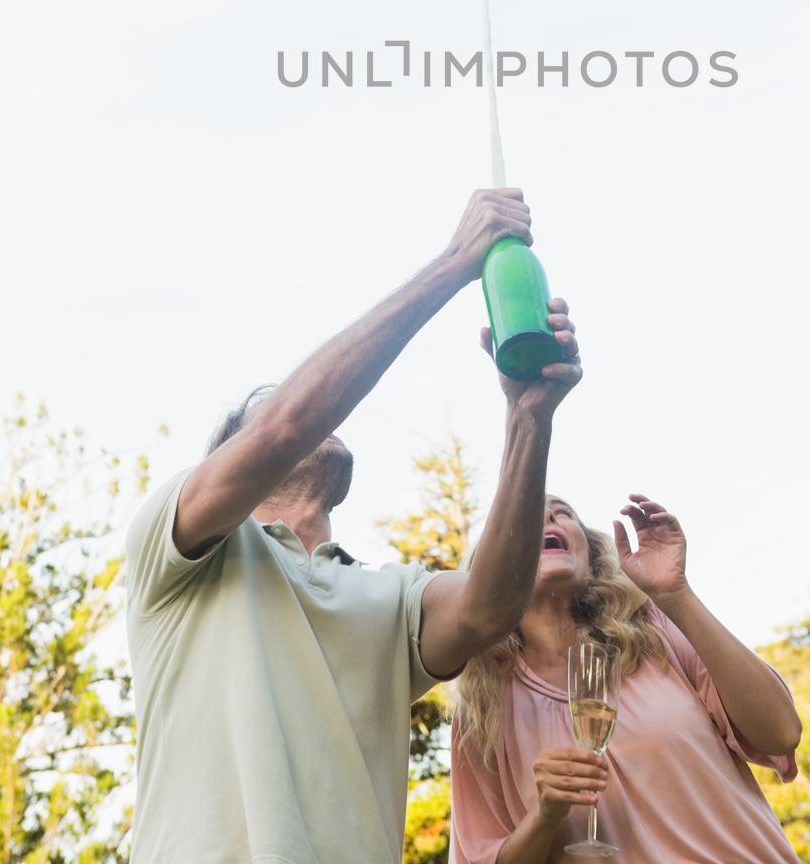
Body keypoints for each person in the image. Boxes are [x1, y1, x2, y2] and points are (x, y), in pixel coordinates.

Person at [124, 189, 582, 864]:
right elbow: (288, 426)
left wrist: (529, 414)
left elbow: (489, 608)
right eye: (268, 402)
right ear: (229, 453)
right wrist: (456, 263)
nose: (317, 417)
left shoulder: (389, 597)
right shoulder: (181, 549)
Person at [450, 492, 803, 864]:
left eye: (562, 514)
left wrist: (676, 595)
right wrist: (544, 816)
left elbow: (780, 732)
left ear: (594, 559)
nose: (547, 521)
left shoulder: (656, 633)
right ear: (491, 571)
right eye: (523, 518)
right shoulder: (481, 711)